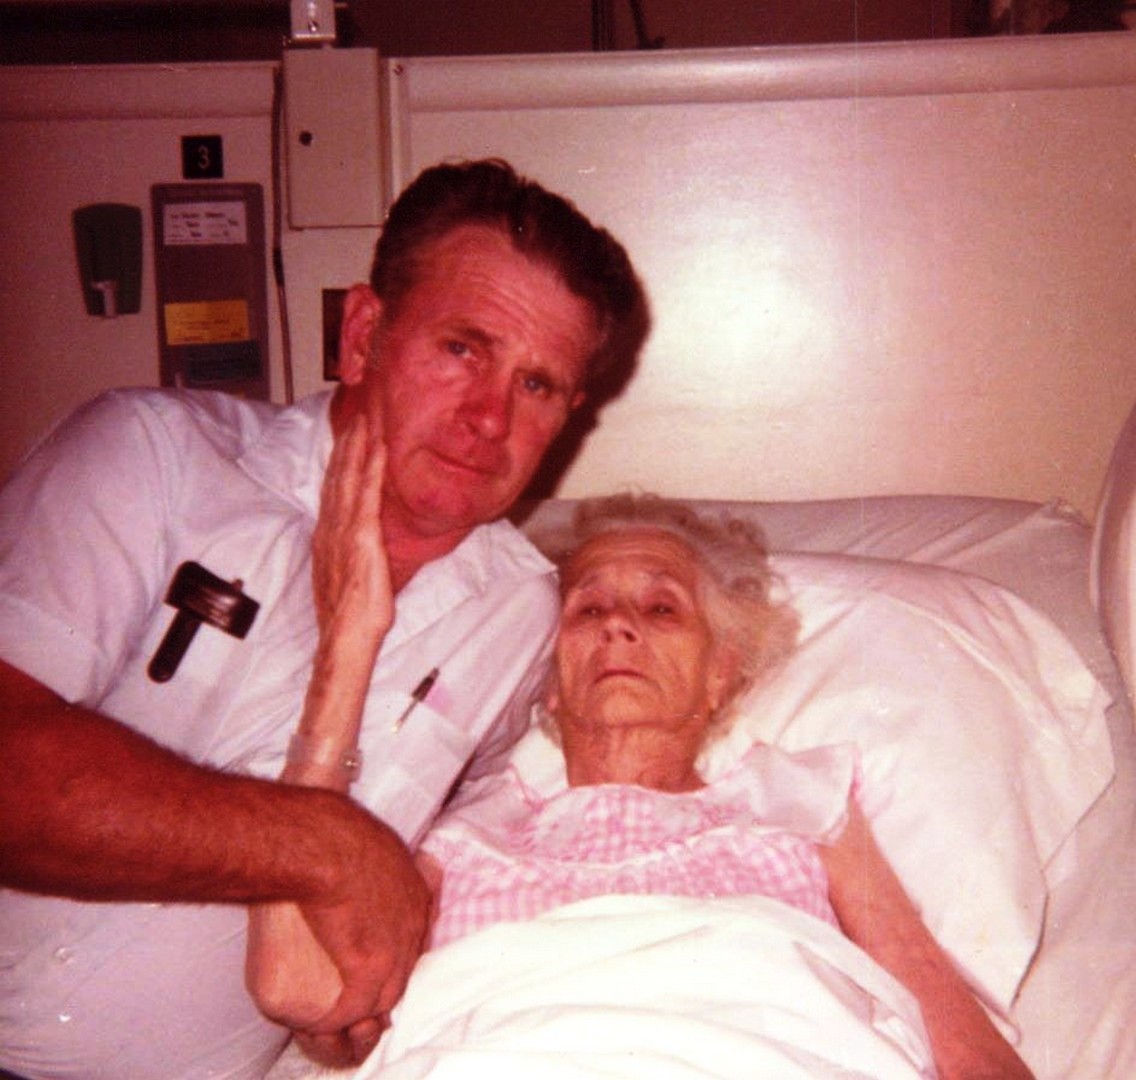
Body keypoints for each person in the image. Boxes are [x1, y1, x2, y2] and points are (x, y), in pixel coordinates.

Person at [0, 159, 648, 1080]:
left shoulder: (522, 621)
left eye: (537, 385)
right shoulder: (152, 460)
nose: (488, 419)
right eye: (463, 349)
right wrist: (322, 849)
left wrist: (383, 985)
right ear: (363, 334)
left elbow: (465, 864)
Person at [255, 493, 1035, 1080]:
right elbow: (306, 995)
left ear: (720, 671)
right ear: (548, 678)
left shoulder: (802, 802)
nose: (618, 625)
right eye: (589, 606)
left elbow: (956, 1035)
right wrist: (346, 652)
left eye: (662, 608)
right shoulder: (462, 832)